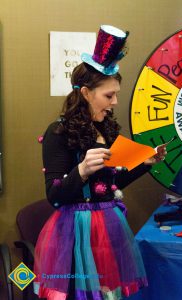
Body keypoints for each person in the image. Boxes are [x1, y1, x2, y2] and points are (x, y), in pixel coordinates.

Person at [34, 25, 167, 300]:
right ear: (85, 93)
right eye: (109, 95)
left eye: (116, 94)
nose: (115, 102)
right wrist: (81, 170)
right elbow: (55, 197)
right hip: (77, 233)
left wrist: (146, 163)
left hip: (109, 225)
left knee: (109, 294)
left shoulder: (106, 130)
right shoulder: (58, 132)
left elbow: (111, 183)